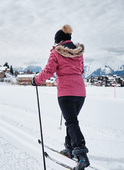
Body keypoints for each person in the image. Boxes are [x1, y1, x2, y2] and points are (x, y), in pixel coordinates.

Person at [31, 25, 89, 170]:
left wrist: (36, 80)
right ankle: (70, 149)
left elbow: (48, 71)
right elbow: (81, 70)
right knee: (71, 121)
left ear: (58, 41)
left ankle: (81, 154)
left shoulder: (56, 52)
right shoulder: (79, 53)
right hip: (80, 92)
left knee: (71, 121)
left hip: (65, 93)